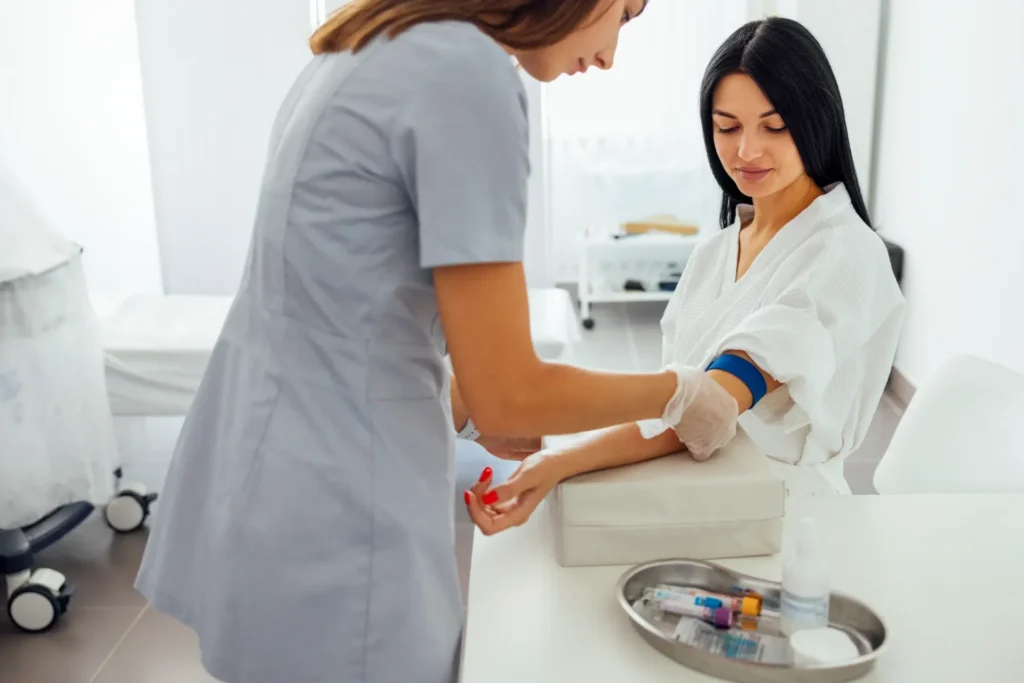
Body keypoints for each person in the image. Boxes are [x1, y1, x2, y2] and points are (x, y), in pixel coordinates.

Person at [134, 2, 745, 683]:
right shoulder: (466, 74)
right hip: (338, 514)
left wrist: (460, 398)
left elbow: (343, 309)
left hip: (268, 476)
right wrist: (681, 391)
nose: (609, 55)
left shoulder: (372, 41)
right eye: (622, 14)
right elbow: (514, 395)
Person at [466, 16, 907, 536]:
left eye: (774, 126)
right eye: (727, 127)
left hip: (788, 516)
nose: (746, 151)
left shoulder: (846, 254)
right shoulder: (715, 251)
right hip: (695, 489)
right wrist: (554, 434)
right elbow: (665, 404)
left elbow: (708, 405)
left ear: (817, 120)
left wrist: (560, 459)